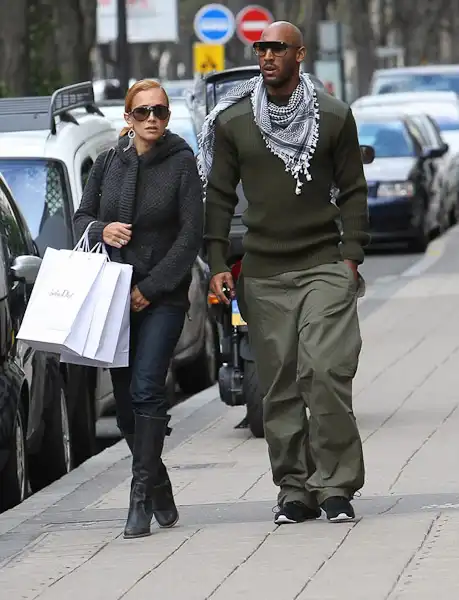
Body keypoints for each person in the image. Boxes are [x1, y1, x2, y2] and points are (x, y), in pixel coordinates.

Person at [199, 22, 370, 524]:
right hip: (264, 274)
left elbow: (353, 189)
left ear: (300, 55)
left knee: (325, 371)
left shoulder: (334, 116)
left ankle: (335, 486)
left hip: (324, 265)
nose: (267, 55)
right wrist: (216, 262)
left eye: (278, 48)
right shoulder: (234, 121)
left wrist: (351, 255)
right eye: (261, 48)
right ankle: (295, 489)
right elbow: (219, 196)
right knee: (279, 387)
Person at [74, 79, 204, 538]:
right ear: (128, 118)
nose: (153, 119)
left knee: (148, 390)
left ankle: (140, 498)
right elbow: (81, 217)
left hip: (163, 297)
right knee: (126, 406)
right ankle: (161, 489)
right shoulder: (108, 162)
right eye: (144, 112)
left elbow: (190, 236)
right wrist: (102, 229)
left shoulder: (182, 162)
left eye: (160, 111)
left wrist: (151, 288)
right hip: (114, 297)